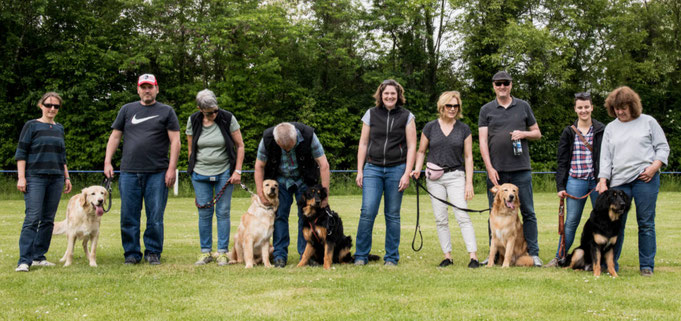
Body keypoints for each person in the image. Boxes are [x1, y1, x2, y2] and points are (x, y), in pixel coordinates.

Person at [104, 74, 180, 265]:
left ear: (157, 89)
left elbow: (175, 141)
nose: (147, 90)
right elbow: (115, 137)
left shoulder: (167, 111)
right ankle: (131, 253)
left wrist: (171, 169)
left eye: (150, 87)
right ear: (138, 89)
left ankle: (153, 252)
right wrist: (107, 162)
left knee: (155, 216)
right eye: (143, 87)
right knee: (128, 215)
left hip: (158, 172)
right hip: (129, 171)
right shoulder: (127, 110)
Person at [595, 86, 669, 277]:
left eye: (624, 107)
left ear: (633, 105)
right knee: (615, 224)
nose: (620, 112)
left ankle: (646, 265)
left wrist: (654, 167)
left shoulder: (648, 122)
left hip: (645, 179)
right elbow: (605, 158)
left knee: (645, 222)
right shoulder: (611, 128)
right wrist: (603, 180)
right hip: (619, 182)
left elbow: (662, 148)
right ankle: (610, 265)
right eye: (616, 108)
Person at [478, 71, 543, 267]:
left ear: (511, 85)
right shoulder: (486, 109)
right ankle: (495, 256)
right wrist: (489, 168)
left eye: (505, 83)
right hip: (497, 171)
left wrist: (523, 133)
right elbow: (482, 142)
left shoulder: (523, 106)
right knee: (495, 212)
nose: (502, 86)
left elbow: (537, 133)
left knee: (528, 212)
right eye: (498, 83)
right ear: (494, 86)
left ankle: (534, 253)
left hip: (521, 169)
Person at [411, 91, 480, 268]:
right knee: (440, 218)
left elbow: (468, 157)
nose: (452, 109)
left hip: (456, 176)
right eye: (449, 105)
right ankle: (447, 256)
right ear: (442, 106)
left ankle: (473, 256)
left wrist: (469, 183)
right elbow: (421, 151)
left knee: (462, 215)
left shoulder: (464, 129)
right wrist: (417, 170)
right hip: (434, 178)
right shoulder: (430, 127)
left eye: (455, 106)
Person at [355, 79, 417, 266]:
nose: (389, 96)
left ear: (398, 96)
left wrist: (407, 173)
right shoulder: (371, 114)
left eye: (393, 93)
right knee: (367, 211)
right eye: (386, 94)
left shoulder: (407, 116)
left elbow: (412, 145)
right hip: (372, 169)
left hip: (396, 169)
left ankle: (391, 257)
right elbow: (363, 143)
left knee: (392, 214)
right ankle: (360, 255)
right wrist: (360, 171)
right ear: (380, 96)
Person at [253, 122, 330, 268]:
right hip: (280, 181)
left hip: (305, 180)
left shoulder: (309, 136)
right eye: (284, 148)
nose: (287, 150)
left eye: (290, 146)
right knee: (280, 216)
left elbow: (324, 164)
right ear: (277, 141)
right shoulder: (268, 139)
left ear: (295, 138)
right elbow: (259, 166)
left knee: (306, 217)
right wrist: (260, 193)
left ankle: (306, 255)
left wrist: (324, 195)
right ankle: (280, 256)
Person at [14, 92, 73, 272]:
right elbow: (21, 153)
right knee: (33, 218)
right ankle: (24, 260)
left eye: (56, 106)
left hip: (56, 178)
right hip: (35, 178)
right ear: (41, 105)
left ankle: (39, 256)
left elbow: (62, 156)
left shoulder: (59, 128)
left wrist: (66, 176)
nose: (52, 109)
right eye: (48, 105)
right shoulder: (31, 126)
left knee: (48, 220)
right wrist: (21, 177)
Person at [545, 92, 605, 267]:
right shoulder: (568, 132)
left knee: (601, 221)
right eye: (580, 107)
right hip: (575, 181)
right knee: (571, 221)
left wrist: (605, 180)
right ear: (575, 109)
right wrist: (560, 186)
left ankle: (600, 260)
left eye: (586, 107)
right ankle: (559, 257)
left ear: (592, 107)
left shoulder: (602, 130)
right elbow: (562, 161)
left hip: (596, 181)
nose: (583, 110)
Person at [186, 89, 245, 266]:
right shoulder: (193, 120)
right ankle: (205, 252)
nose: (214, 114)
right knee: (204, 213)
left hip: (224, 173)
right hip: (200, 173)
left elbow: (240, 146)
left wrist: (238, 171)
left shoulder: (227, 118)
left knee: (223, 212)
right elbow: (191, 149)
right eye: (209, 113)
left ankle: (222, 252)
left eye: (215, 110)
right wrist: (193, 169)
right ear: (200, 109)